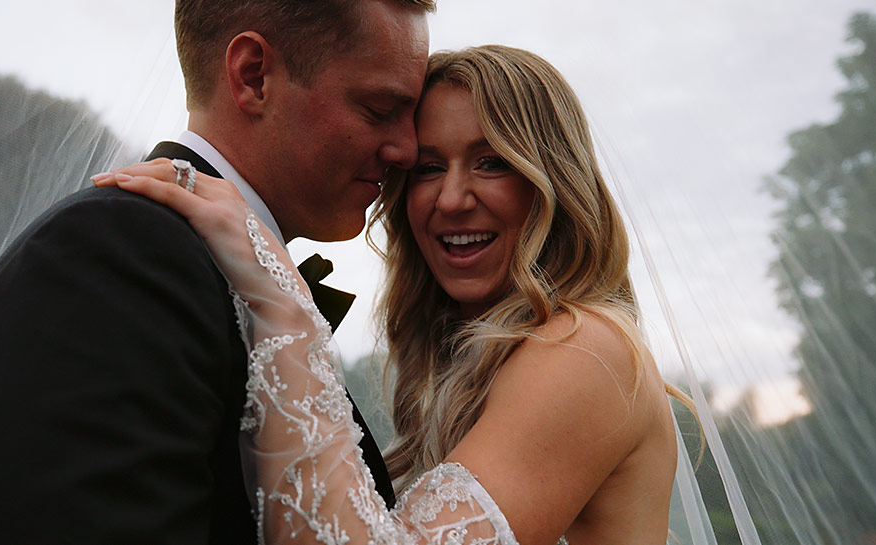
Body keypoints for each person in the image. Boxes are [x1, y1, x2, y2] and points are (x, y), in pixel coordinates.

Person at [96, 45, 697, 545]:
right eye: (430, 168)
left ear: (551, 184)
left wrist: (279, 300)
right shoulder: (476, 359)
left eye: (491, 163)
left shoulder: (586, 350)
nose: (452, 198)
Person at [0, 0, 433, 543]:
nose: (409, 149)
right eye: (380, 109)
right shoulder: (116, 259)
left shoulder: (199, 268)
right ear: (253, 76)